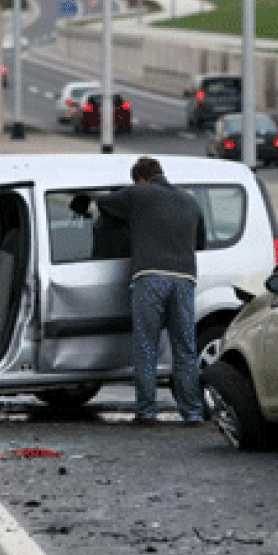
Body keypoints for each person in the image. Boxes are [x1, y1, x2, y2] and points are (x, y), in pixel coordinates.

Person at [70, 157, 206, 426]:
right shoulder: (191, 201)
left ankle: (146, 411)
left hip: (150, 277)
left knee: (146, 347)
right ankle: (192, 413)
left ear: (141, 178)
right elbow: (200, 242)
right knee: (185, 349)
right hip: (184, 279)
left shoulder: (139, 194)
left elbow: (104, 203)